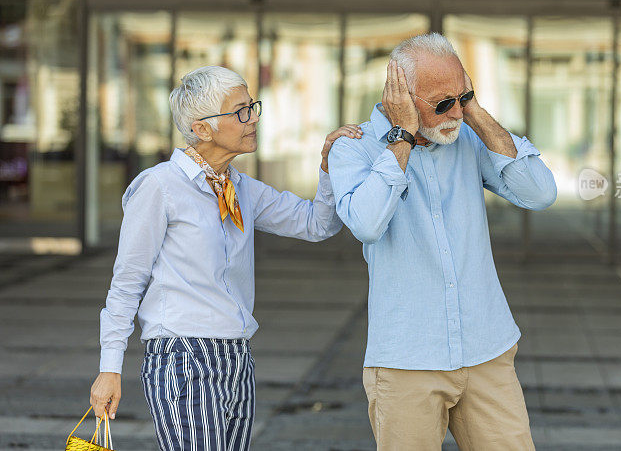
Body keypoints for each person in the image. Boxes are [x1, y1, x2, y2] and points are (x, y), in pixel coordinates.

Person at [89, 65, 360, 451]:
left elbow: (316, 224)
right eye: (240, 111)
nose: (253, 119)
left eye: (252, 107)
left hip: (236, 355)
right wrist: (109, 369)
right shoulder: (159, 187)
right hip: (182, 354)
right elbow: (127, 281)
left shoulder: (240, 188)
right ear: (202, 128)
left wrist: (330, 166)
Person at [327, 33, 557, 450]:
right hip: (407, 360)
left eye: (461, 95)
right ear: (401, 97)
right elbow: (366, 224)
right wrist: (403, 138)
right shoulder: (353, 149)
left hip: (487, 348)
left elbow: (540, 193)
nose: (455, 112)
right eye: (443, 102)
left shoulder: (467, 135)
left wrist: (476, 111)